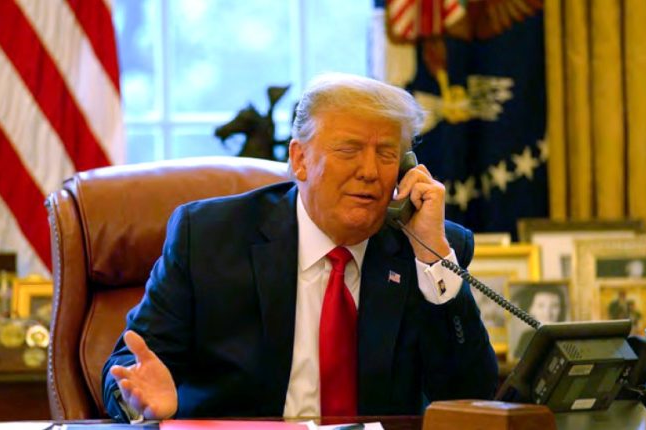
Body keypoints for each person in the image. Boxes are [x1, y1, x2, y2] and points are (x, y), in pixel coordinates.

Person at [102, 73, 498, 421]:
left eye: (386, 154)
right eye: (349, 150)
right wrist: (139, 402)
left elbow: (471, 395)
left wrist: (432, 260)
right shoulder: (208, 237)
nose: (369, 171)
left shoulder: (425, 247)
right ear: (300, 158)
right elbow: (131, 365)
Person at [512, 286, 566, 359]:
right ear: (531, 309)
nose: (547, 313)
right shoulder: (527, 337)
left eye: (554, 306)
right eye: (541, 306)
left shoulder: (566, 336)